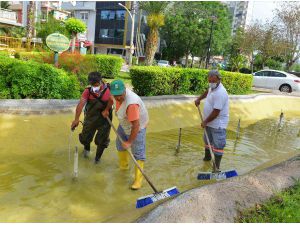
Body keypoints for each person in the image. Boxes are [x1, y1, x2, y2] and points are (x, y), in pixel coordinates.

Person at [110, 80, 149, 190]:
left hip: (138, 127)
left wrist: (129, 142)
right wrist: (106, 109)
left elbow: (135, 126)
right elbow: (110, 100)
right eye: (115, 95)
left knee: (138, 153)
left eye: (120, 95)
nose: (117, 98)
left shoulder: (131, 104)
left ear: (124, 91)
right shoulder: (114, 94)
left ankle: (138, 180)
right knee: (120, 145)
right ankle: (123, 167)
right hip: (124, 123)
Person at [71, 72, 113, 164]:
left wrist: (106, 110)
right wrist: (76, 119)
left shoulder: (109, 89)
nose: (94, 86)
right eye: (92, 84)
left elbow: (112, 100)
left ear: (100, 81)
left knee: (102, 141)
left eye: (95, 84)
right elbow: (81, 104)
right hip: (90, 118)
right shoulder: (88, 91)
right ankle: (86, 152)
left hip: (105, 119)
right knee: (86, 137)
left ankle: (97, 160)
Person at [194, 70, 229, 171]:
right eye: (209, 81)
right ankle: (207, 158)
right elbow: (207, 91)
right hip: (209, 122)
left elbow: (216, 112)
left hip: (218, 124)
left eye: (213, 81)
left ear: (219, 79)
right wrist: (199, 99)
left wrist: (205, 122)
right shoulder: (212, 87)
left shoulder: (221, 93)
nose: (211, 83)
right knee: (207, 141)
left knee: (218, 145)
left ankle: (216, 167)